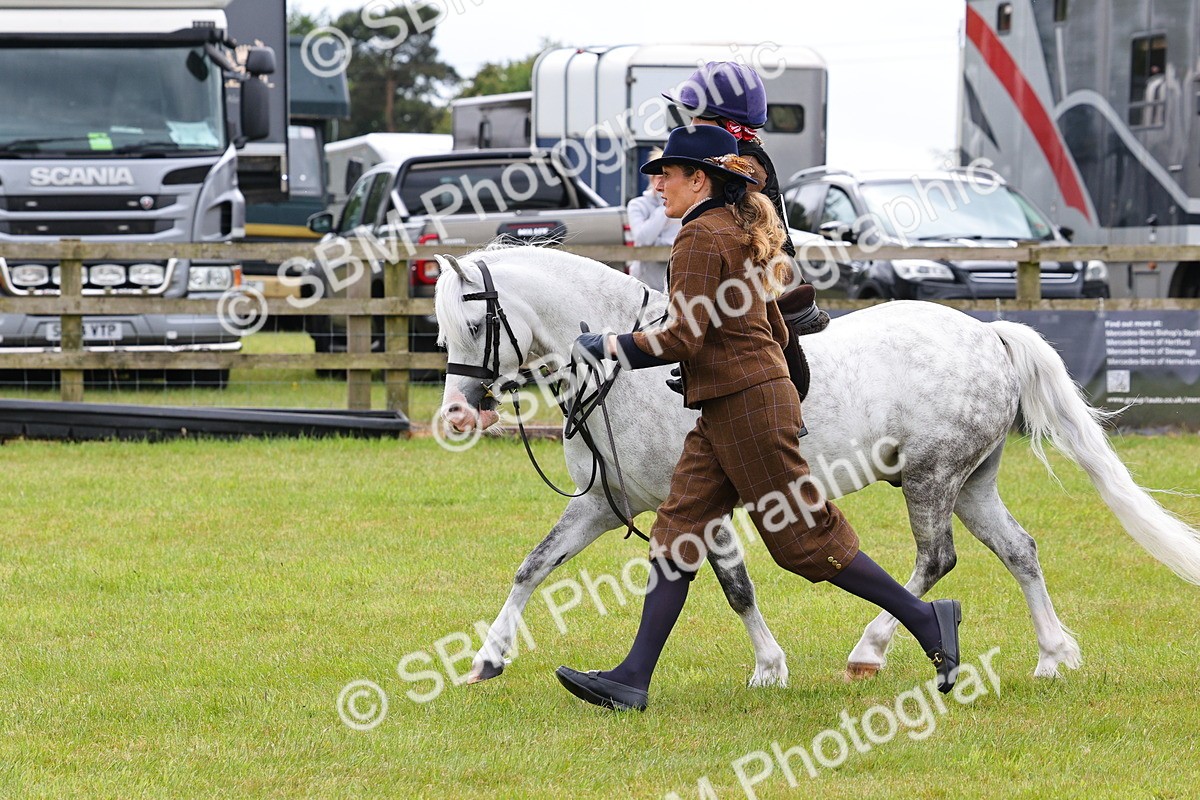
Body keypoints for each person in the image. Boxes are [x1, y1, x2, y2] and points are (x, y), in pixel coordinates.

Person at [556, 125, 961, 712]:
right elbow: (771, 328)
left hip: (742, 406)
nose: (656, 184)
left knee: (801, 540)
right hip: (734, 404)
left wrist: (611, 346)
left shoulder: (699, 237)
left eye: (665, 174)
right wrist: (779, 390)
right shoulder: (733, 232)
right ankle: (632, 679)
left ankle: (926, 619)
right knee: (678, 533)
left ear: (699, 179)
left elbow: (684, 336)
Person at [664, 61, 829, 336]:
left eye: (698, 118)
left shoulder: (744, 163)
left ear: (726, 124)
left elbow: (726, 231)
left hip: (765, 273)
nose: (691, 126)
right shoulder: (731, 155)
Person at [626, 148, 681, 292]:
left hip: (672, 282)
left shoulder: (683, 204)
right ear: (652, 180)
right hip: (644, 284)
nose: (663, 184)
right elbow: (643, 239)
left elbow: (678, 240)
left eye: (667, 176)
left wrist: (659, 241)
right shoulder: (637, 205)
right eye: (659, 177)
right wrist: (666, 205)